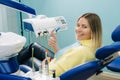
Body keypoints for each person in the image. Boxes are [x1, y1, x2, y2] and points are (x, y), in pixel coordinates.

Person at [48, 13, 102, 77]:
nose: (78, 29)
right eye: (78, 25)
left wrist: (45, 64)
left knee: (33, 49)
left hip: (49, 72)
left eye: (84, 27)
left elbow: (54, 72)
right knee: (34, 46)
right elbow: (65, 57)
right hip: (57, 62)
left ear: (93, 31)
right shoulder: (94, 44)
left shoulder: (81, 51)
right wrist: (54, 46)